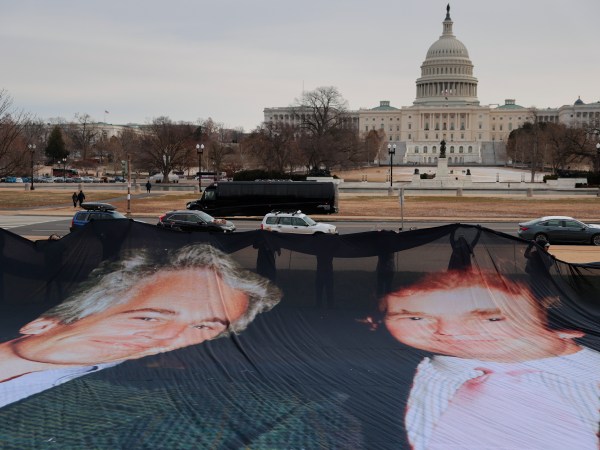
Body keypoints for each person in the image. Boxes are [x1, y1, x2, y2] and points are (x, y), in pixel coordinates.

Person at [379, 269, 600, 450]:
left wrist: (559, 352)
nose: (450, 331)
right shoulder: (384, 376)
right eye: (416, 318)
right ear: (375, 320)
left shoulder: (590, 373)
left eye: (492, 318)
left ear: (548, 314)